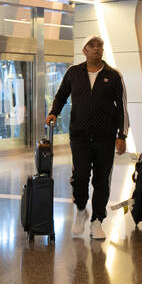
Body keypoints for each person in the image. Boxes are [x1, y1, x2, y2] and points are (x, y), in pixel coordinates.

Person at [47, 36, 128, 241]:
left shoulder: (113, 75)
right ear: (84, 50)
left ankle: (97, 221)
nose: (96, 49)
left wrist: (122, 135)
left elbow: (122, 108)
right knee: (81, 177)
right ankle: (81, 209)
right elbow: (61, 95)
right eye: (91, 46)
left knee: (101, 180)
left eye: (99, 46)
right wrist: (53, 112)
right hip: (79, 136)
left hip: (105, 137)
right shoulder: (74, 72)